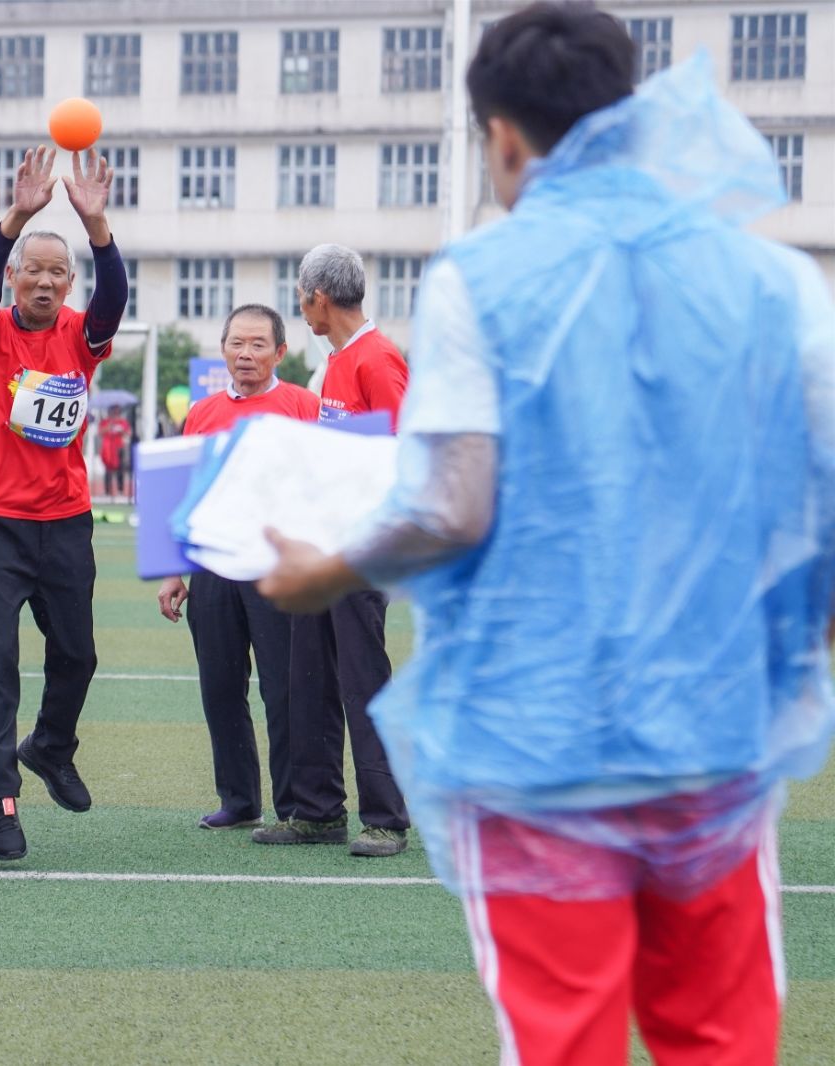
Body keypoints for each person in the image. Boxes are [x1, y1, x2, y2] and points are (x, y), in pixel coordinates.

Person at [258, 5, 834, 1061]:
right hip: (708, 734)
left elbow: (450, 504)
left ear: (501, 137)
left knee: (562, 1041)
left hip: (539, 744)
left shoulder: (483, 276)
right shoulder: (776, 282)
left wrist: (320, 572)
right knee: (719, 1037)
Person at [0, 145, 126, 860]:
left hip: (65, 521)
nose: (48, 282)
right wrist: (19, 216)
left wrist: (98, 227)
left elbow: (114, 298)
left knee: (78, 655)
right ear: (16, 279)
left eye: (60, 273)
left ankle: (51, 747)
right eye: (36, 270)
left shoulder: (81, 338)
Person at [255, 244, 412, 857]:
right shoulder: (338, 361)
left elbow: (400, 457)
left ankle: (387, 819)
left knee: (363, 680)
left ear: (318, 296)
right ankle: (318, 810)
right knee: (310, 679)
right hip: (322, 549)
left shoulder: (377, 359)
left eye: (300, 295)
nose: (301, 306)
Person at [156, 305, 320, 832]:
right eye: (236, 344)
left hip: (278, 571)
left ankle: (295, 805)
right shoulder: (201, 413)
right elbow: (180, 495)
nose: (245, 355)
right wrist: (171, 571)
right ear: (222, 349)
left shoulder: (304, 406)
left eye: (257, 345)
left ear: (280, 352)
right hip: (214, 568)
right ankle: (239, 797)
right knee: (221, 686)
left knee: (284, 689)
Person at [98, 405, 131, 499]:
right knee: (108, 469)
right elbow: (100, 432)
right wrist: (109, 427)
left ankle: (120, 490)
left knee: (120, 468)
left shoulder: (122, 422)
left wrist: (121, 430)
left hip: (119, 447)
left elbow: (128, 432)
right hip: (108, 448)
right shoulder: (105, 422)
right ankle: (107, 491)